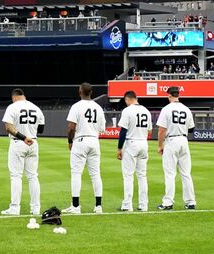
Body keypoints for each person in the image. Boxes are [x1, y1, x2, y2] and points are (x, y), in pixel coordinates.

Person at [0, 88, 44, 216]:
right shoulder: (36, 108)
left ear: (14, 97)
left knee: (16, 176)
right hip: (33, 143)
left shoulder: (12, 107)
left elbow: (8, 127)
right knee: (33, 176)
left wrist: (23, 137)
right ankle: (36, 209)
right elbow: (41, 129)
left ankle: (14, 208)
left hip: (19, 142)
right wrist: (30, 134)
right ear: (23, 96)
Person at [63, 82, 106, 214]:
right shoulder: (98, 107)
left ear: (80, 91)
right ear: (91, 92)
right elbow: (102, 129)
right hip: (94, 140)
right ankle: (98, 206)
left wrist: (70, 140)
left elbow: (71, 127)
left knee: (76, 173)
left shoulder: (76, 106)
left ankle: (75, 206)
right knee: (95, 174)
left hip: (80, 140)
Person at [156, 86, 196, 210]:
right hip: (184, 140)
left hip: (171, 140)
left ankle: (168, 202)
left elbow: (162, 129)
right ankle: (190, 202)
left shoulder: (166, 109)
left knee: (170, 173)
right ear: (178, 95)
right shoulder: (186, 109)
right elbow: (191, 128)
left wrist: (160, 145)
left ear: (169, 95)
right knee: (186, 173)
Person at [116, 91, 152, 212]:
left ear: (127, 99)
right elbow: (150, 131)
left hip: (131, 143)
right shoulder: (146, 111)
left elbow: (123, 131)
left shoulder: (127, 110)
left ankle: (127, 205)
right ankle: (143, 205)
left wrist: (119, 148)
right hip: (143, 142)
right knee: (142, 175)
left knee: (128, 175)